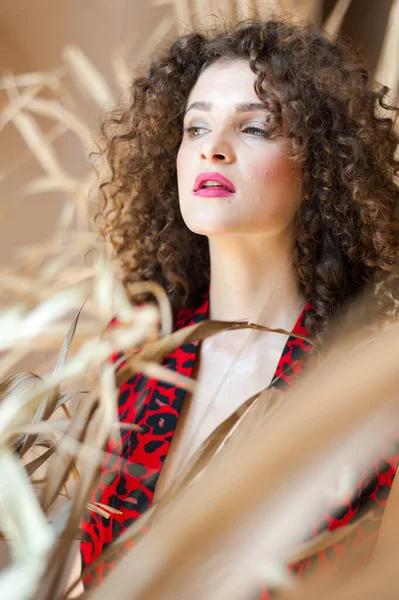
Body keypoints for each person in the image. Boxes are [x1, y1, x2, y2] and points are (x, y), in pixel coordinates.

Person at [72, 16, 399, 598]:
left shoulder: (360, 391)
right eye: (196, 128)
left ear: (319, 164)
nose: (213, 151)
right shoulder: (133, 351)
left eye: (255, 128)